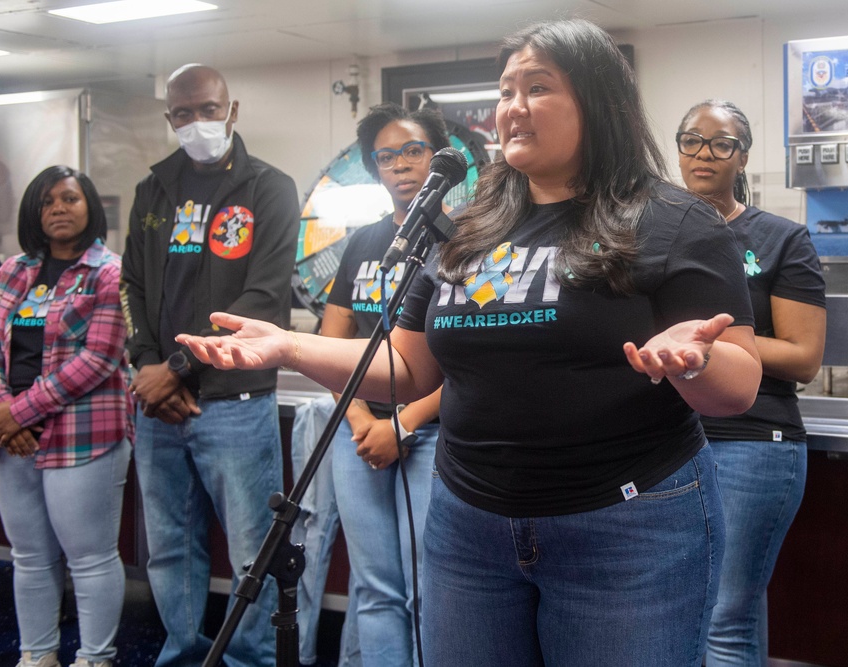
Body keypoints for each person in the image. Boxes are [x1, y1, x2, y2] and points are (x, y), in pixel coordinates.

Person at [177, 19, 763, 667]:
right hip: (469, 525)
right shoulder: (467, 228)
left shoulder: (674, 221)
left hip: (625, 526)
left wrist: (695, 358)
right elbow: (405, 365)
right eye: (506, 90)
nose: (512, 106)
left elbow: (738, 385)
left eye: (537, 87)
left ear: (600, 100)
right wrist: (288, 346)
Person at [120, 64, 300, 667]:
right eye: (183, 113)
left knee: (254, 552)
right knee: (169, 549)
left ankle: (250, 662)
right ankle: (183, 655)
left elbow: (265, 297)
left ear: (233, 109)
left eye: (208, 109)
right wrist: (150, 368)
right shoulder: (154, 190)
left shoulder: (268, 187)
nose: (197, 122)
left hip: (235, 402)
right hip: (159, 405)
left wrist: (177, 366)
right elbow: (133, 289)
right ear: (169, 117)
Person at [675, 99, 827, 666]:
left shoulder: (781, 238)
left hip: (752, 442)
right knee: (696, 612)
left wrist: (703, 341)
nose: (704, 154)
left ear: (743, 157)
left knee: (722, 616)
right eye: (691, 140)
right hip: (672, 440)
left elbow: (803, 355)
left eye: (721, 143)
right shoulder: (656, 230)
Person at [0, 165, 134, 667]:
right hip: (11, 435)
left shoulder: (110, 271)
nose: (58, 209)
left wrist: (17, 412)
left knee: (89, 559)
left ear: (90, 208)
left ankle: (94, 657)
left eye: (69, 199)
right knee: (29, 558)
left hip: (85, 434)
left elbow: (101, 356)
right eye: (47, 202)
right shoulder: (12, 270)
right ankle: (37, 655)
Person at [318, 102, 447, 666]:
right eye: (386, 156)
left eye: (413, 150)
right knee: (374, 588)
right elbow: (332, 342)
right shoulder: (364, 242)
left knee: (429, 589)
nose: (400, 165)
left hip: (434, 433)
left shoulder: (466, 241)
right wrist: (363, 420)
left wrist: (403, 422)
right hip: (359, 433)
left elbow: (476, 360)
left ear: (439, 157)